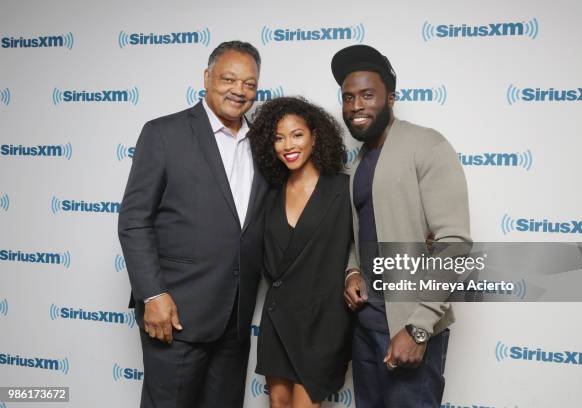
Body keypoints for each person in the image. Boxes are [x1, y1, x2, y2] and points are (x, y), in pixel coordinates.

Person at [117, 41, 268, 408]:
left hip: (235, 318)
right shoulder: (163, 133)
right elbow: (135, 220)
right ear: (206, 77)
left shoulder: (264, 142)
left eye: (250, 84)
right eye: (229, 78)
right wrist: (152, 294)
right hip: (176, 314)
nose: (239, 90)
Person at [331, 45, 471, 407]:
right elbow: (355, 236)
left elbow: (454, 244)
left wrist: (419, 327)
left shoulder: (427, 144)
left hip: (411, 327)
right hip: (366, 327)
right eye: (348, 97)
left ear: (391, 97)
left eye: (367, 95)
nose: (356, 106)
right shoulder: (357, 164)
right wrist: (350, 273)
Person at [248, 96, 353, 408]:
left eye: (296, 134)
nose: (287, 145)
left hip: (322, 324)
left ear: (315, 136)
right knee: (278, 404)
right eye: (278, 138)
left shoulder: (343, 189)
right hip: (278, 319)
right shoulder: (269, 193)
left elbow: (364, 245)